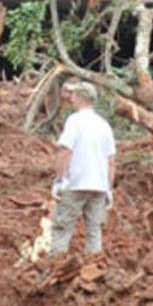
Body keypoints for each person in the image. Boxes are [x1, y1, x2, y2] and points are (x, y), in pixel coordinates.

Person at [51, 81, 117, 254]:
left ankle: (56, 270)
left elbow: (65, 151)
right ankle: (93, 269)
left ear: (80, 97)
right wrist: (109, 189)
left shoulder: (75, 121)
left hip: (76, 184)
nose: (70, 98)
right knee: (94, 232)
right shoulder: (104, 125)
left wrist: (59, 180)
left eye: (73, 94)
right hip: (99, 187)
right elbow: (111, 160)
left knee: (62, 229)